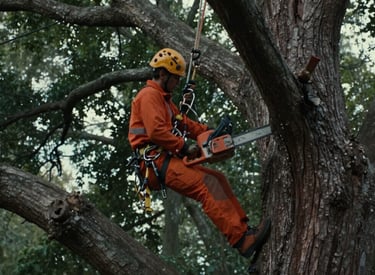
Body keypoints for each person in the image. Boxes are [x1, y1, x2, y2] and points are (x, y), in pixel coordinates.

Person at [128, 48, 271, 258]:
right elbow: (156, 131)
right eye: (175, 78)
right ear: (163, 74)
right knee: (206, 186)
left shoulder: (165, 101)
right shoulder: (149, 95)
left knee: (217, 178)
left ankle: (244, 230)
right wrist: (185, 147)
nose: (177, 83)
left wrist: (210, 133)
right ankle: (241, 239)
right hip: (156, 161)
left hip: (167, 158)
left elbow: (185, 124)